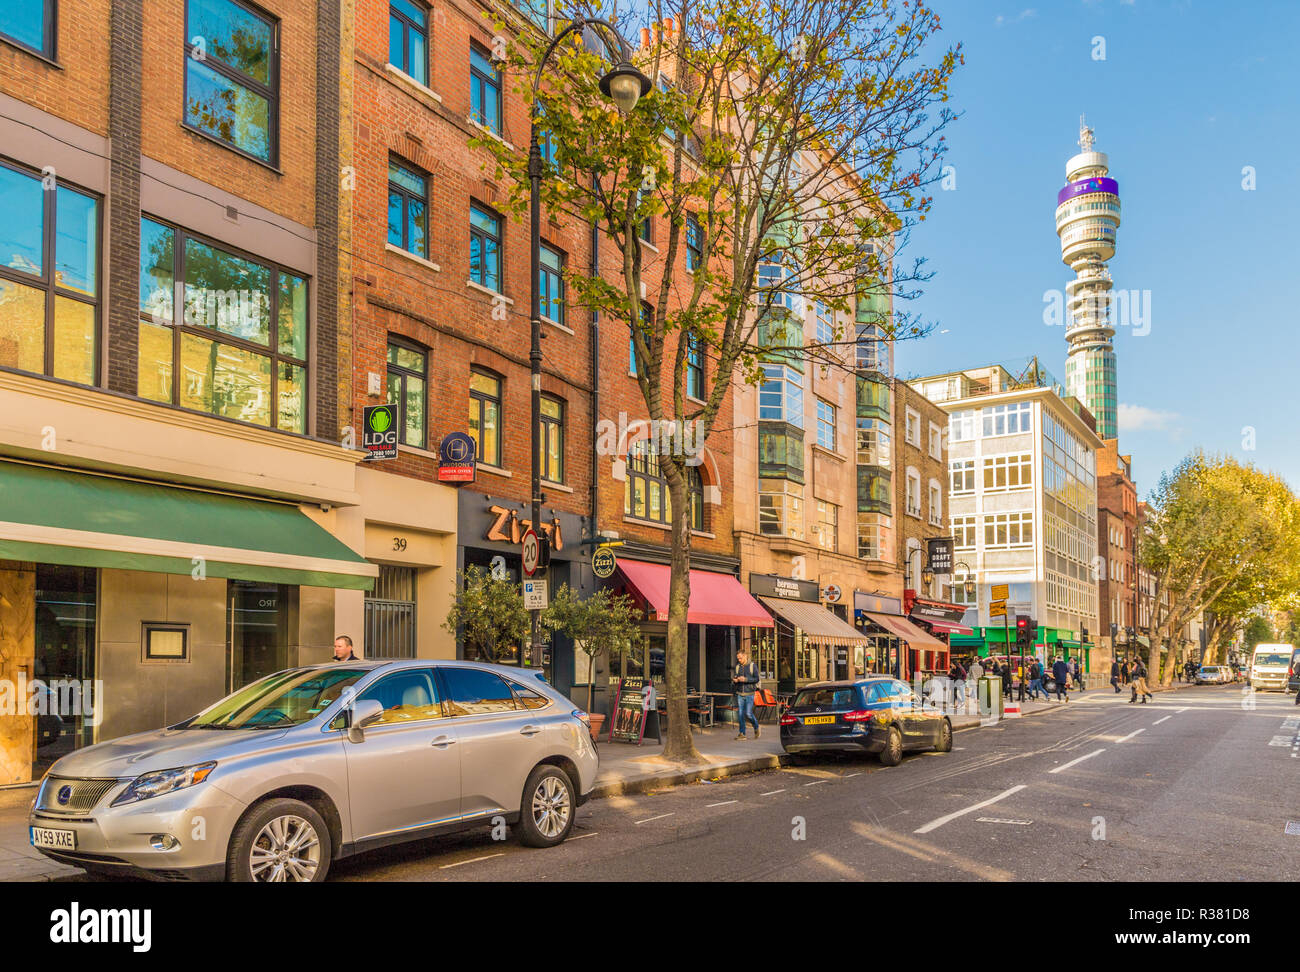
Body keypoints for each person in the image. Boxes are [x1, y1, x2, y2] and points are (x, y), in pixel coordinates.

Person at [732, 647, 761, 740]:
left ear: (745, 656)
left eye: (740, 658)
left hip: (749, 693)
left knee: (748, 713)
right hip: (740, 693)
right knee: (740, 714)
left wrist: (746, 679)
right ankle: (742, 733)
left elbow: (757, 679)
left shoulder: (752, 666)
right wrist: (735, 680)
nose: (739, 660)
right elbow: (735, 677)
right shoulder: (737, 667)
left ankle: (756, 727)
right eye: (738, 659)